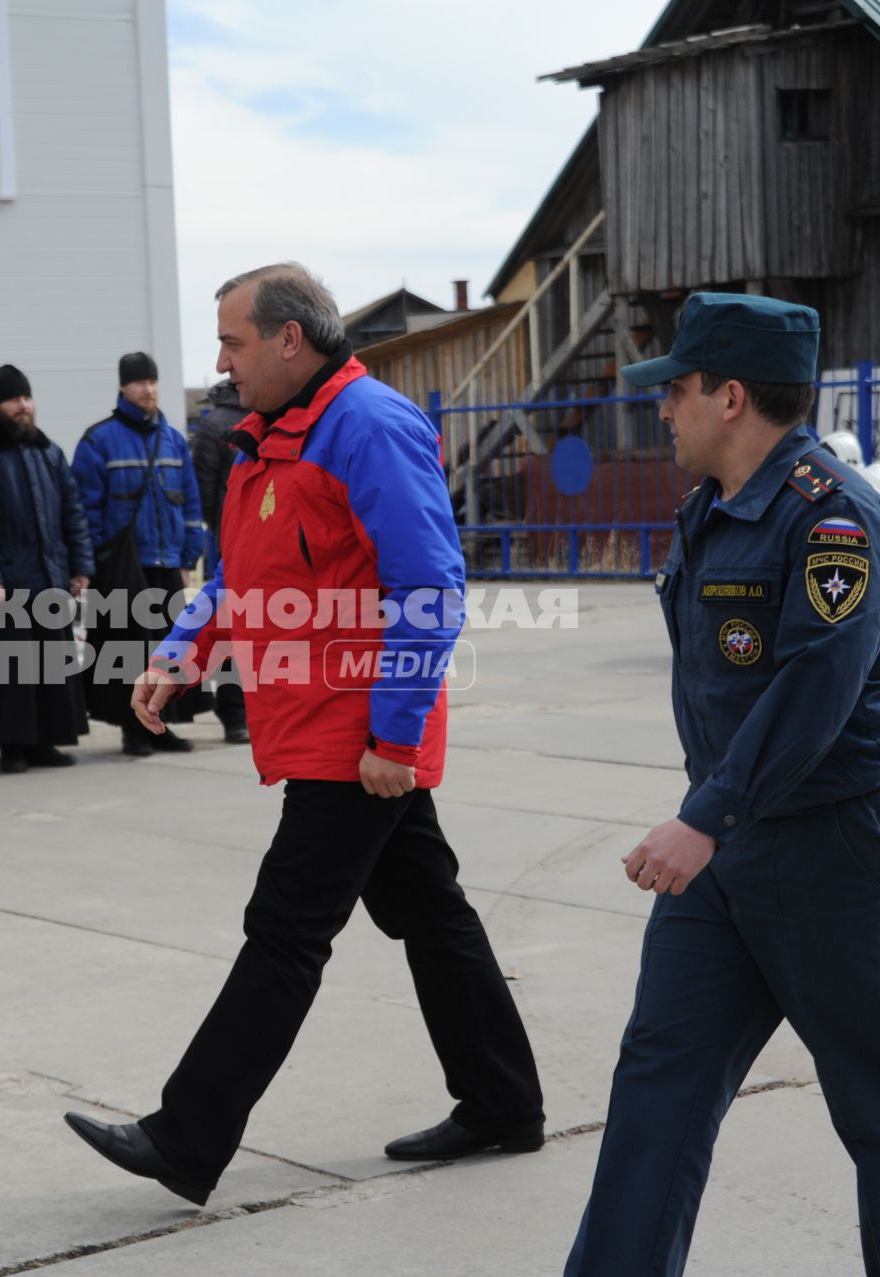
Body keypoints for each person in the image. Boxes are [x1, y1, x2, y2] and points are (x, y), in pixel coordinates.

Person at [64, 264, 544, 1205]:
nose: (219, 363)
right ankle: (502, 1099)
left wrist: (397, 740)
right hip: (324, 727)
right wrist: (180, 653)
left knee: (285, 928)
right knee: (429, 912)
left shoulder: (367, 427)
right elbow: (239, 577)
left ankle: (186, 1135)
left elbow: (428, 589)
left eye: (234, 342)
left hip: (357, 736)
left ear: (292, 339)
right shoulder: (270, 442)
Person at [563, 293, 880, 1275]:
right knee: (658, 1087)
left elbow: (816, 684)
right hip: (731, 853)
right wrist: (715, 818)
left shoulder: (834, 519)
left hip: (831, 847)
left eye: (680, 390)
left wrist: (703, 816)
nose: (664, 410)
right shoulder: (714, 509)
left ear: (731, 396)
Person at [0, 364, 92, 774]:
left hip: (50, 574)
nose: (24, 406)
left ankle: (45, 743)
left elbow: (73, 511)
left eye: (27, 398)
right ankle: (12, 747)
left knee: (50, 665)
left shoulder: (47, 451)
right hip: (7, 580)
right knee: (11, 671)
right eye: (15, 399)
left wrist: (80, 566)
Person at [71, 351, 206, 756]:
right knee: (126, 651)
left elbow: (191, 506)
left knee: (170, 649)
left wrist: (188, 558)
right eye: (139, 383)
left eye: (153, 382)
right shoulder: (98, 440)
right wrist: (95, 562)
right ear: (122, 387)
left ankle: (164, 726)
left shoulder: (174, 441)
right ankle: (134, 729)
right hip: (123, 566)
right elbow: (85, 509)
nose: (148, 390)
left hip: (167, 561)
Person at [188, 378, 250, 745]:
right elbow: (205, 489)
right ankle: (234, 711)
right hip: (235, 542)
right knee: (233, 628)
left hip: (237, 538)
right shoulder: (218, 425)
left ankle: (239, 712)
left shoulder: (268, 413)